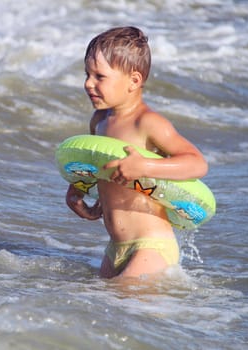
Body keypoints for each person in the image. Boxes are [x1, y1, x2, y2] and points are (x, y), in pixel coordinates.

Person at [66, 26, 208, 279]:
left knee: (117, 299)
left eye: (100, 76)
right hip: (115, 247)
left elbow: (197, 163)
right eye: (87, 74)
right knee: (98, 307)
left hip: (151, 244)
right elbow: (93, 163)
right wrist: (77, 191)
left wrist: (144, 167)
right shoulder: (98, 120)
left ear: (134, 80)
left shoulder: (148, 123)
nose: (88, 83)